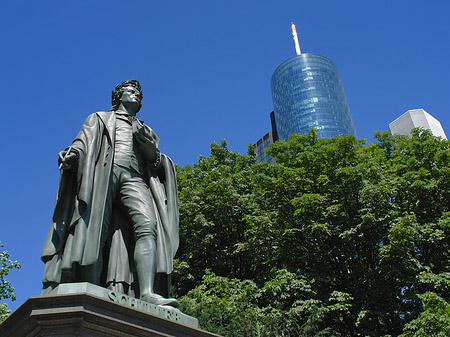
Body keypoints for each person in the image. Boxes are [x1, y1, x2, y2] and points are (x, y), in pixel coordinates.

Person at [41, 80, 179, 307]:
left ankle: (147, 292)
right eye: (131, 92)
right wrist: (72, 156)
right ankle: (92, 288)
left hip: (135, 177)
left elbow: (157, 163)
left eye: (139, 95)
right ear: (117, 96)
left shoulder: (146, 129)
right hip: (105, 173)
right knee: (96, 229)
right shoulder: (98, 118)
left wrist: (153, 154)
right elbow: (82, 143)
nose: (137, 96)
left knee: (148, 226)